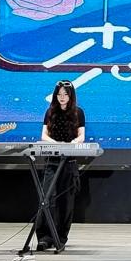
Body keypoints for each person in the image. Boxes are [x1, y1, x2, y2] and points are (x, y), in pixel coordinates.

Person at [36, 80, 85, 251]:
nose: (62, 97)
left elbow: (81, 136)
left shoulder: (78, 112)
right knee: (46, 199)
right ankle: (44, 237)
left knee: (66, 201)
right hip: (52, 160)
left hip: (69, 161)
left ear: (71, 96)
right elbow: (44, 135)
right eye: (59, 94)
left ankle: (60, 237)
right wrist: (57, 145)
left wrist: (71, 144)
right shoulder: (50, 112)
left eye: (65, 94)